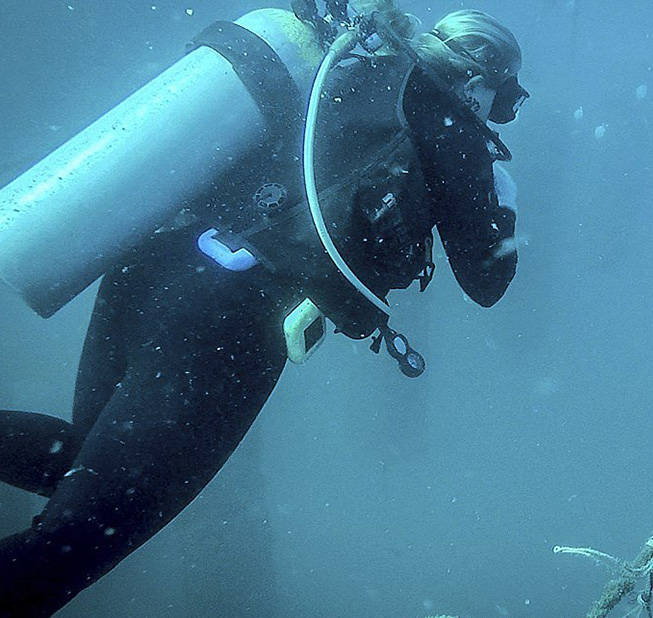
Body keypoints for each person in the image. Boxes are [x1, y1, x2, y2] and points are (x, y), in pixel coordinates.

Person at [0, 1, 527, 615]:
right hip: (234, 319)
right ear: (483, 76)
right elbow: (488, 279)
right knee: (69, 548)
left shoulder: (344, 66)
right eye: (508, 100)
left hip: (152, 267)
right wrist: (499, 192)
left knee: (83, 458)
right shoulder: (447, 117)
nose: (503, 116)